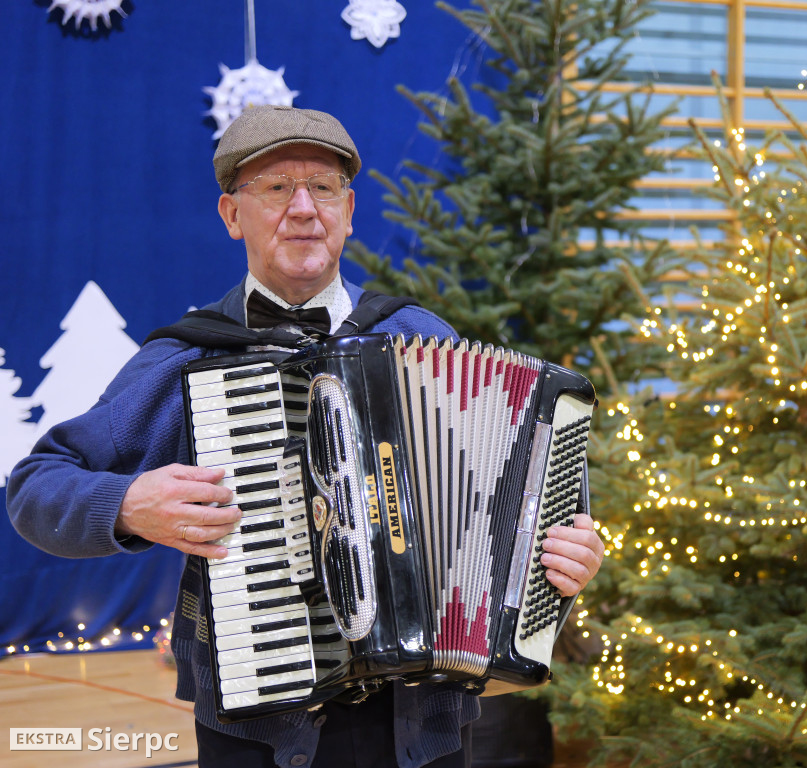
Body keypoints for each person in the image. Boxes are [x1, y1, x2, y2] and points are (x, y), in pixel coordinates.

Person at [5, 105, 604, 768]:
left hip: (422, 727)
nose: (302, 208)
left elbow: (509, 509)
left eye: (322, 188)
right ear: (232, 215)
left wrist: (564, 559)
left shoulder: (424, 338)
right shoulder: (192, 358)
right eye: (275, 188)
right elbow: (36, 487)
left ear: (347, 211)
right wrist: (125, 504)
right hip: (261, 732)